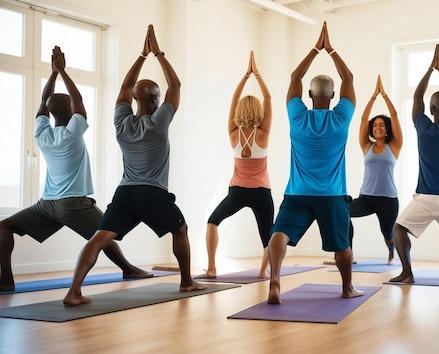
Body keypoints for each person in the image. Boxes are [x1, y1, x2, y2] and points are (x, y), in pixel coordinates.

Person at [63, 25, 206, 306]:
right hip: (152, 193)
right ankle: (187, 282)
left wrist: (141, 56)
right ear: (155, 99)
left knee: (100, 238)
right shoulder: (159, 120)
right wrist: (158, 53)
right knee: (180, 230)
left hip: (125, 193)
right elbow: (175, 87)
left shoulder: (121, 123)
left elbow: (125, 89)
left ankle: (73, 292)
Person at [0, 46, 151, 292]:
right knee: (106, 232)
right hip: (73, 205)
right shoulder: (73, 132)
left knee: (4, 227)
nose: (74, 105)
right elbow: (78, 100)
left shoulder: (42, 134)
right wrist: (62, 71)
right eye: (69, 104)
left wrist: (52, 74)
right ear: (64, 110)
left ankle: (6, 278)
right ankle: (128, 268)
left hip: (46, 205)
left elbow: (43, 103)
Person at [267, 21, 363, 304]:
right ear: (332, 96)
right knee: (342, 244)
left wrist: (313, 49)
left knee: (280, 233)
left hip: (297, 193)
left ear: (309, 95)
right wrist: (330, 50)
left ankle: (274, 280)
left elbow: (296, 76)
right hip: (331, 195)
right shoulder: (340, 118)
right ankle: (346, 288)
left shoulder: (297, 116)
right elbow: (349, 79)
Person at [390, 44, 439, 283]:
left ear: (432, 109)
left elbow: (417, 97)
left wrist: (429, 69)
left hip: (427, 197)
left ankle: (407, 273)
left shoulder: (423, 128)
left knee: (399, 229)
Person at [195, 51, 273, 279]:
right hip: (261, 191)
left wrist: (244, 77)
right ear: (258, 112)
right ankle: (263, 271)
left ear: (239, 110)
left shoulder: (233, 133)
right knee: (269, 235)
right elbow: (268, 100)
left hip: (237, 191)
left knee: (212, 222)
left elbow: (233, 99)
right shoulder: (264, 133)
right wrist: (257, 75)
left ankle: (211, 268)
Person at [348, 75, 402, 265]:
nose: (378, 127)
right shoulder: (366, 146)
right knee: (343, 213)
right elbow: (363, 119)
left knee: (388, 233)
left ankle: (391, 250)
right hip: (366, 197)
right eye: (375, 125)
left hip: (388, 199)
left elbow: (394, 117)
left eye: (381, 125)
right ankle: (349, 254)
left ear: (386, 129)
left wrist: (385, 96)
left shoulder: (394, 146)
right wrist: (373, 97)